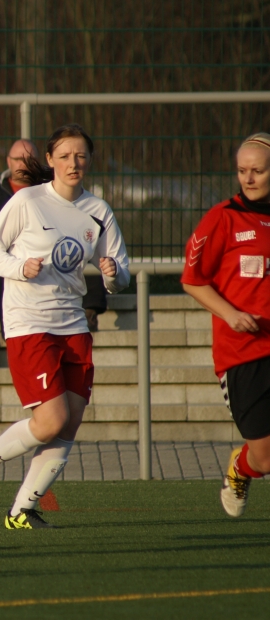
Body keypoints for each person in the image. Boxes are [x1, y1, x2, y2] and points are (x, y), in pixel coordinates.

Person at [0, 124, 130, 529]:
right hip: (29, 322)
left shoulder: (99, 211)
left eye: (81, 156)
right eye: (65, 156)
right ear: (51, 160)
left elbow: (122, 274)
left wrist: (112, 274)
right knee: (51, 420)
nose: (74, 163)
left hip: (72, 323)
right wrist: (19, 267)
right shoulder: (28, 201)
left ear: (89, 161)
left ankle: (21, 510)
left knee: (70, 421)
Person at [181, 132, 270, 518]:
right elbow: (192, 280)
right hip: (243, 352)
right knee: (265, 459)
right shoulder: (223, 218)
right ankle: (241, 467)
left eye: (258, 171)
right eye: (242, 170)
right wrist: (231, 314)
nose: (248, 178)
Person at [0, 139, 109, 332]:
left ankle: (90, 311)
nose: (24, 165)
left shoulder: (58, 191)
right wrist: (18, 265)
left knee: (80, 252)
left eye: (29, 160)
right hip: (16, 275)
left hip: (60, 276)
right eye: (19, 159)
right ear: (8, 161)